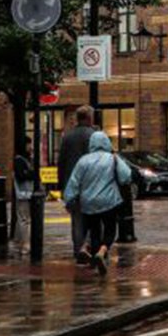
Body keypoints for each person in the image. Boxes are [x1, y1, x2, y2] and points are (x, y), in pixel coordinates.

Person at [63, 132, 132, 276]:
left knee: (94, 231)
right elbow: (126, 177)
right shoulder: (112, 158)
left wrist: (68, 199)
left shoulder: (83, 161)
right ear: (107, 142)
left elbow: (74, 182)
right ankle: (102, 251)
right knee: (110, 230)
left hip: (88, 203)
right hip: (109, 201)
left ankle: (91, 254)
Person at [58, 105, 95, 263]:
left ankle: (78, 250)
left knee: (77, 220)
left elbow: (61, 163)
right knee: (93, 218)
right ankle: (87, 247)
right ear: (89, 118)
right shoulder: (94, 136)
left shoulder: (67, 137)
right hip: (91, 184)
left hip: (72, 186)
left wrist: (61, 187)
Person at [13, 138, 34, 254]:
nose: (30, 147)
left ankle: (20, 242)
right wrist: (31, 174)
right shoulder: (19, 160)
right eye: (28, 144)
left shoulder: (28, 159)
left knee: (23, 219)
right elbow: (22, 175)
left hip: (27, 193)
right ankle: (25, 245)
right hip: (23, 194)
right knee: (24, 220)